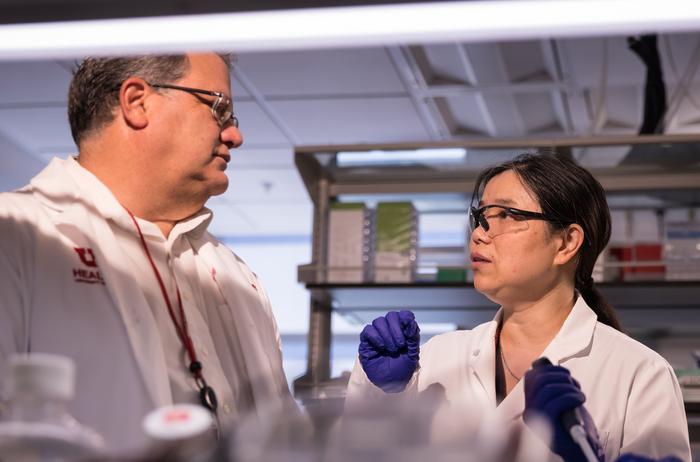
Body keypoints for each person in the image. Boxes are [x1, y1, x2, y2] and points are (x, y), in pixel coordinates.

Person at [0, 53, 294, 453]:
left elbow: (283, 437)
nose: (234, 136)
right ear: (137, 102)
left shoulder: (237, 276)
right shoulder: (16, 232)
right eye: (219, 109)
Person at [346, 153, 691, 461]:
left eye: (507, 214)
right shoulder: (437, 358)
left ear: (567, 242)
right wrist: (382, 397)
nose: (480, 234)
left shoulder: (639, 374)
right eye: (480, 216)